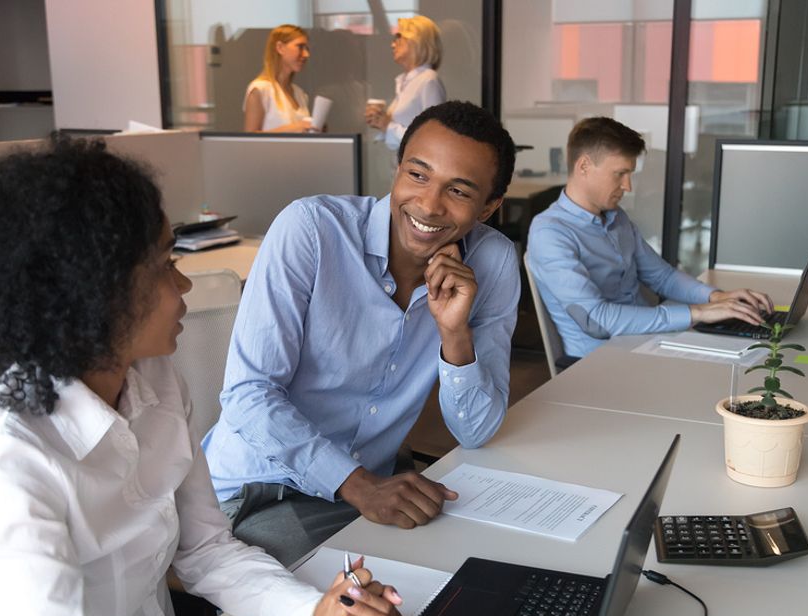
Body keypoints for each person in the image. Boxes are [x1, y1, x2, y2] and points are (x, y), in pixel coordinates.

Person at [0, 136, 403, 616]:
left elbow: (206, 550)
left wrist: (319, 615)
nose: (183, 286)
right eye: (163, 265)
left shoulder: (155, 381)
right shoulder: (5, 469)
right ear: (92, 293)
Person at [205, 101, 519, 566]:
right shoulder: (311, 230)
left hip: (373, 484)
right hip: (264, 489)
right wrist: (359, 485)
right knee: (365, 611)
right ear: (396, 169)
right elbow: (249, 395)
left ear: (490, 206)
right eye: (417, 175)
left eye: (458, 190)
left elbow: (475, 431)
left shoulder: (493, 262)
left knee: (485, 571)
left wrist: (455, 336)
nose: (429, 204)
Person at [527, 117, 773, 364]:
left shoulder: (616, 219)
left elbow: (662, 276)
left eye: (630, 174)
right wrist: (697, 313)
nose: (628, 186)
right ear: (584, 166)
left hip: (650, 342)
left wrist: (716, 298)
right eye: (620, 174)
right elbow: (597, 320)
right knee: (733, 369)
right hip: (603, 363)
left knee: (753, 352)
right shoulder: (550, 233)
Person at [364, 16, 446, 153]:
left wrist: (387, 125)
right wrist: (380, 122)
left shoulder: (428, 80)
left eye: (398, 37)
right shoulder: (406, 81)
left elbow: (433, 138)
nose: (393, 44)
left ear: (416, 41)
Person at [243, 24, 315, 133]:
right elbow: (250, 140)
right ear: (280, 48)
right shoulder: (260, 90)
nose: (306, 54)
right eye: (300, 47)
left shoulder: (299, 94)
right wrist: (295, 128)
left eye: (307, 49)